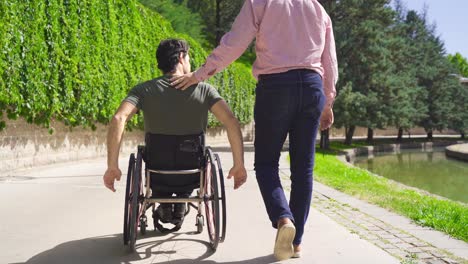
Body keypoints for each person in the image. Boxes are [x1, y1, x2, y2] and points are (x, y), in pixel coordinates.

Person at [170, 0, 338, 260]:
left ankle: (284, 219)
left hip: (276, 87)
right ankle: (296, 243)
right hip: (312, 86)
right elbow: (330, 60)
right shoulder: (317, 8)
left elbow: (234, 45)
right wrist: (328, 102)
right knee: (303, 169)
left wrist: (199, 75)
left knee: (267, 163)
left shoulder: (261, 2)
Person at [103, 39, 248, 226]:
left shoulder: (144, 90)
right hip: (192, 171)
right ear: (181, 58)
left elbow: (118, 119)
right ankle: (183, 199)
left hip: (156, 171)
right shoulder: (204, 90)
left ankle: (163, 199)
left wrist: (112, 166)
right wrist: (239, 164)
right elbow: (231, 121)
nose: (190, 63)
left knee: (155, 160)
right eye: (188, 58)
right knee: (193, 156)